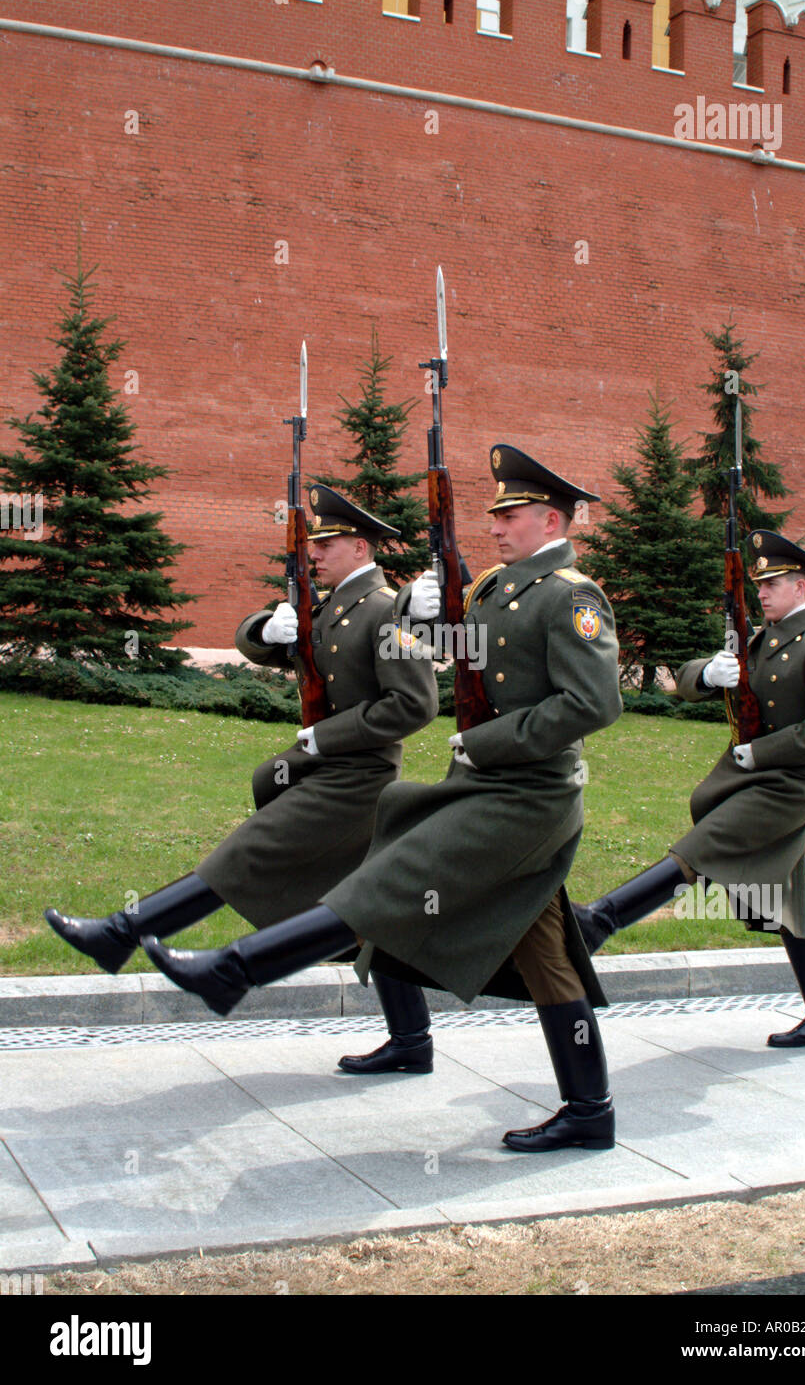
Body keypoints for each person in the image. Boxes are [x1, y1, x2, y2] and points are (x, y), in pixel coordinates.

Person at [144, 444, 624, 1153]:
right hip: (489, 788)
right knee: (546, 955)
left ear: (551, 518)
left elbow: (594, 702)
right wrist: (424, 616)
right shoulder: (498, 589)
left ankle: (233, 970)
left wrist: (485, 745)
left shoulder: (572, 596)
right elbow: (473, 657)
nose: (495, 527)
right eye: (493, 516)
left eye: (510, 515)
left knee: (389, 881)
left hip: (529, 797)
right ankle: (591, 1110)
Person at [45, 487, 439, 1012]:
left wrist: (328, 736)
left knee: (246, 853)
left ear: (361, 549)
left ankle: (121, 933)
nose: (313, 555)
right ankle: (411, 1040)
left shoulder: (388, 611)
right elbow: (277, 648)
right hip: (325, 773)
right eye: (313, 545)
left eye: (325, 545)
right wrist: (263, 630)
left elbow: (414, 705)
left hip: (356, 779)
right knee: (367, 912)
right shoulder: (334, 607)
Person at [571, 531, 805, 1048]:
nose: (763, 592)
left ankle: (601, 919)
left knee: (703, 849)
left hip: (784, 787)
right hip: (743, 781)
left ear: (800, 585)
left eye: (773, 584)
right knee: (789, 896)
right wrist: (706, 674)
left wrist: (762, 753)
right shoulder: (757, 641)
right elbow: (684, 681)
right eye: (759, 583)